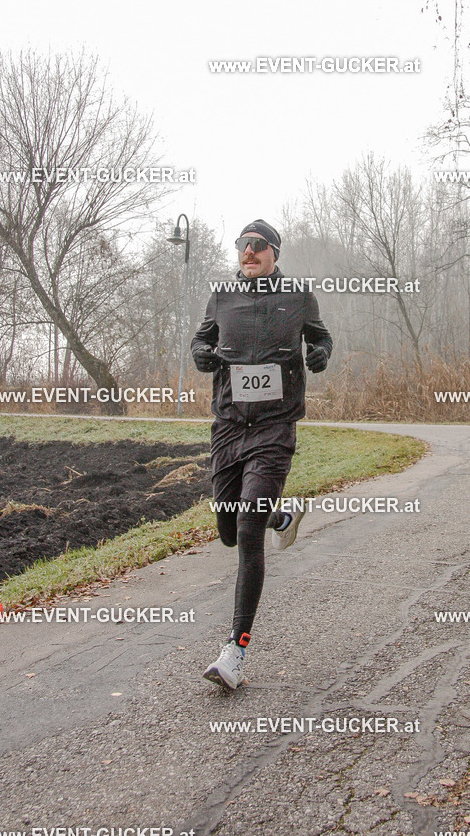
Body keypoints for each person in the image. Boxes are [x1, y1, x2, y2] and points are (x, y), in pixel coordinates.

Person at [191, 219, 333, 690]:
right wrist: (202, 354)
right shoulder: (222, 297)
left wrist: (320, 354)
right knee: (229, 530)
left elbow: (320, 336)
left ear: (274, 253)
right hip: (229, 427)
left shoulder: (297, 295)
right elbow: (200, 339)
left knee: (247, 526)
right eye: (241, 246)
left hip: (275, 426)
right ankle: (281, 516)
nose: (247, 253)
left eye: (256, 246)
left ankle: (234, 651)